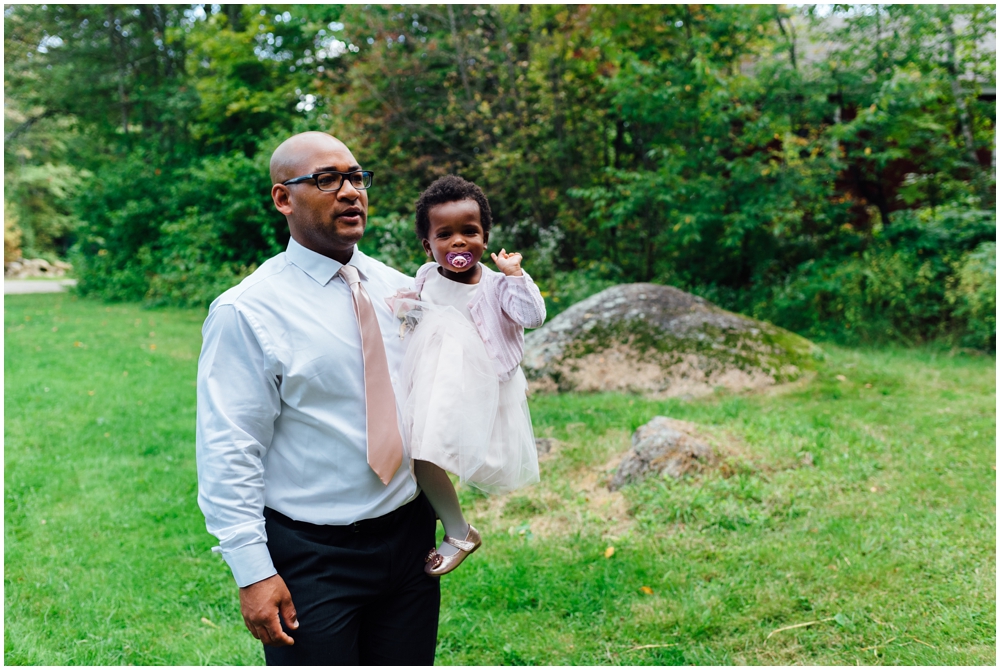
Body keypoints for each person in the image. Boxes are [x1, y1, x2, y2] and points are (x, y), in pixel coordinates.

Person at [196, 131, 440, 665]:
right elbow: (228, 449)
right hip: (312, 555)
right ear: (284, 198)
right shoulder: (248, 313)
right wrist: (252, 570)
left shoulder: (403, 290)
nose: (351, 192)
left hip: (408, 536)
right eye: (327, 180)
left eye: (356, 177)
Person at [388, 175, 546, 576]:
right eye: (445, 234)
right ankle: (452, 522)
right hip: (432, 382)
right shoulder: (425, 276)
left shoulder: (496, 286)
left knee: (427, 452)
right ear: (429, 246)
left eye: (469, 232)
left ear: (486, 238)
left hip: (479, 386)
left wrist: (515, 277)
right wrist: (406, 312)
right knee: (419, 452)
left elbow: (533, 317)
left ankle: (458, 530)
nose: (458, 242)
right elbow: (418, 319)